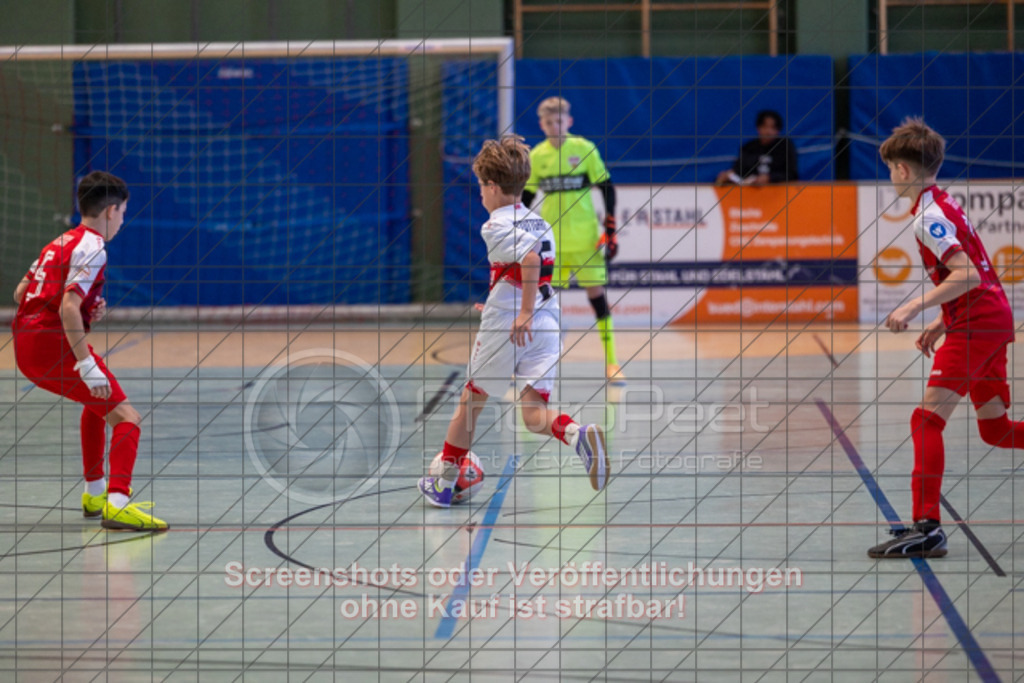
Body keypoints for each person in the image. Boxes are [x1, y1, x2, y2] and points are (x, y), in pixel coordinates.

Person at [418, 136, 609, 508]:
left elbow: (530, 261)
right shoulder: (541, 222)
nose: (480, 194)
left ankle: (443, 484)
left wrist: (519, 312)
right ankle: (578, 434)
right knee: (534, 415)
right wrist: (502, 300)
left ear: (492, 187)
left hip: (514, 324)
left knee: (470, 403)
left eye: (480, 186)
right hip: (548, 321)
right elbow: (526, 270)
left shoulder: (494, 225)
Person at [869, 117, 1015, 558]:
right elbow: (977, 270)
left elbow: (967, 273)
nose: (891, 176)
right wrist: (944, 319)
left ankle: (927, 529)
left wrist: (915, 306)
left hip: (979, 322)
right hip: (987, 317)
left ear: (902, 169)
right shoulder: (943, 202)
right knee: (997, 431)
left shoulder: (927, 217)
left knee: (925, 420)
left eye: (891, 168)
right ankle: (925, 527)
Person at [12, 171, 168, 531]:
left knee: (96, 406)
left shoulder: (58, 242)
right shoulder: (93, 246)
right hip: (52, 345)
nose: (123, 220)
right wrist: (85, 363)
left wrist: (85, 308)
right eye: (123, 212)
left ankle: (95, 494)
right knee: (127, 418)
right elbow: (67, 306)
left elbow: (22, 293)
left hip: (27, 345)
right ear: (111, 210)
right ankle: (118, 502)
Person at [521, 97, 625, 385]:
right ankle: (533, 365)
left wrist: (611, 227)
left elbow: (607, 186)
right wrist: (518, 228)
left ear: (569, 121)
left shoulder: (584, 148)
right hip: (551, 240)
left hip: (585, 239)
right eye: (549, 122)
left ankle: (612, 362)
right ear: (541, 125)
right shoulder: (537, 156)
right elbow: (527, 197)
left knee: (597, 297)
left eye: (559, 121)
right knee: (542, 302)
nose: (555, 126)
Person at [716, 109, 799, 186]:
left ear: (778, 131)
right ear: (758, 128)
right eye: (765, 127)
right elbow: (739, 172)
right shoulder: (749, 148)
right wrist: (728, 176)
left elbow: (792, 175)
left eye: (773, 128)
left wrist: (770, 178)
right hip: (751, 192)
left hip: (779, 192)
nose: (768, 132)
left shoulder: (785, 146)